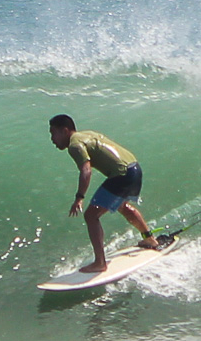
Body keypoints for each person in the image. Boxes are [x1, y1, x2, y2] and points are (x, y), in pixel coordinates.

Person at [49, 114, 160, 273]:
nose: (52, 139)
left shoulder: (75, 145)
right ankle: (149, 239)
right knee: (122, 206)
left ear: (64, 131)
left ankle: (100, 263)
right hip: (134, 169)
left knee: (91, 216)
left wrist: (79, 197)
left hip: (122, 174)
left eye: (53, 133)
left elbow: (86, 171)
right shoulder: (87, 134)